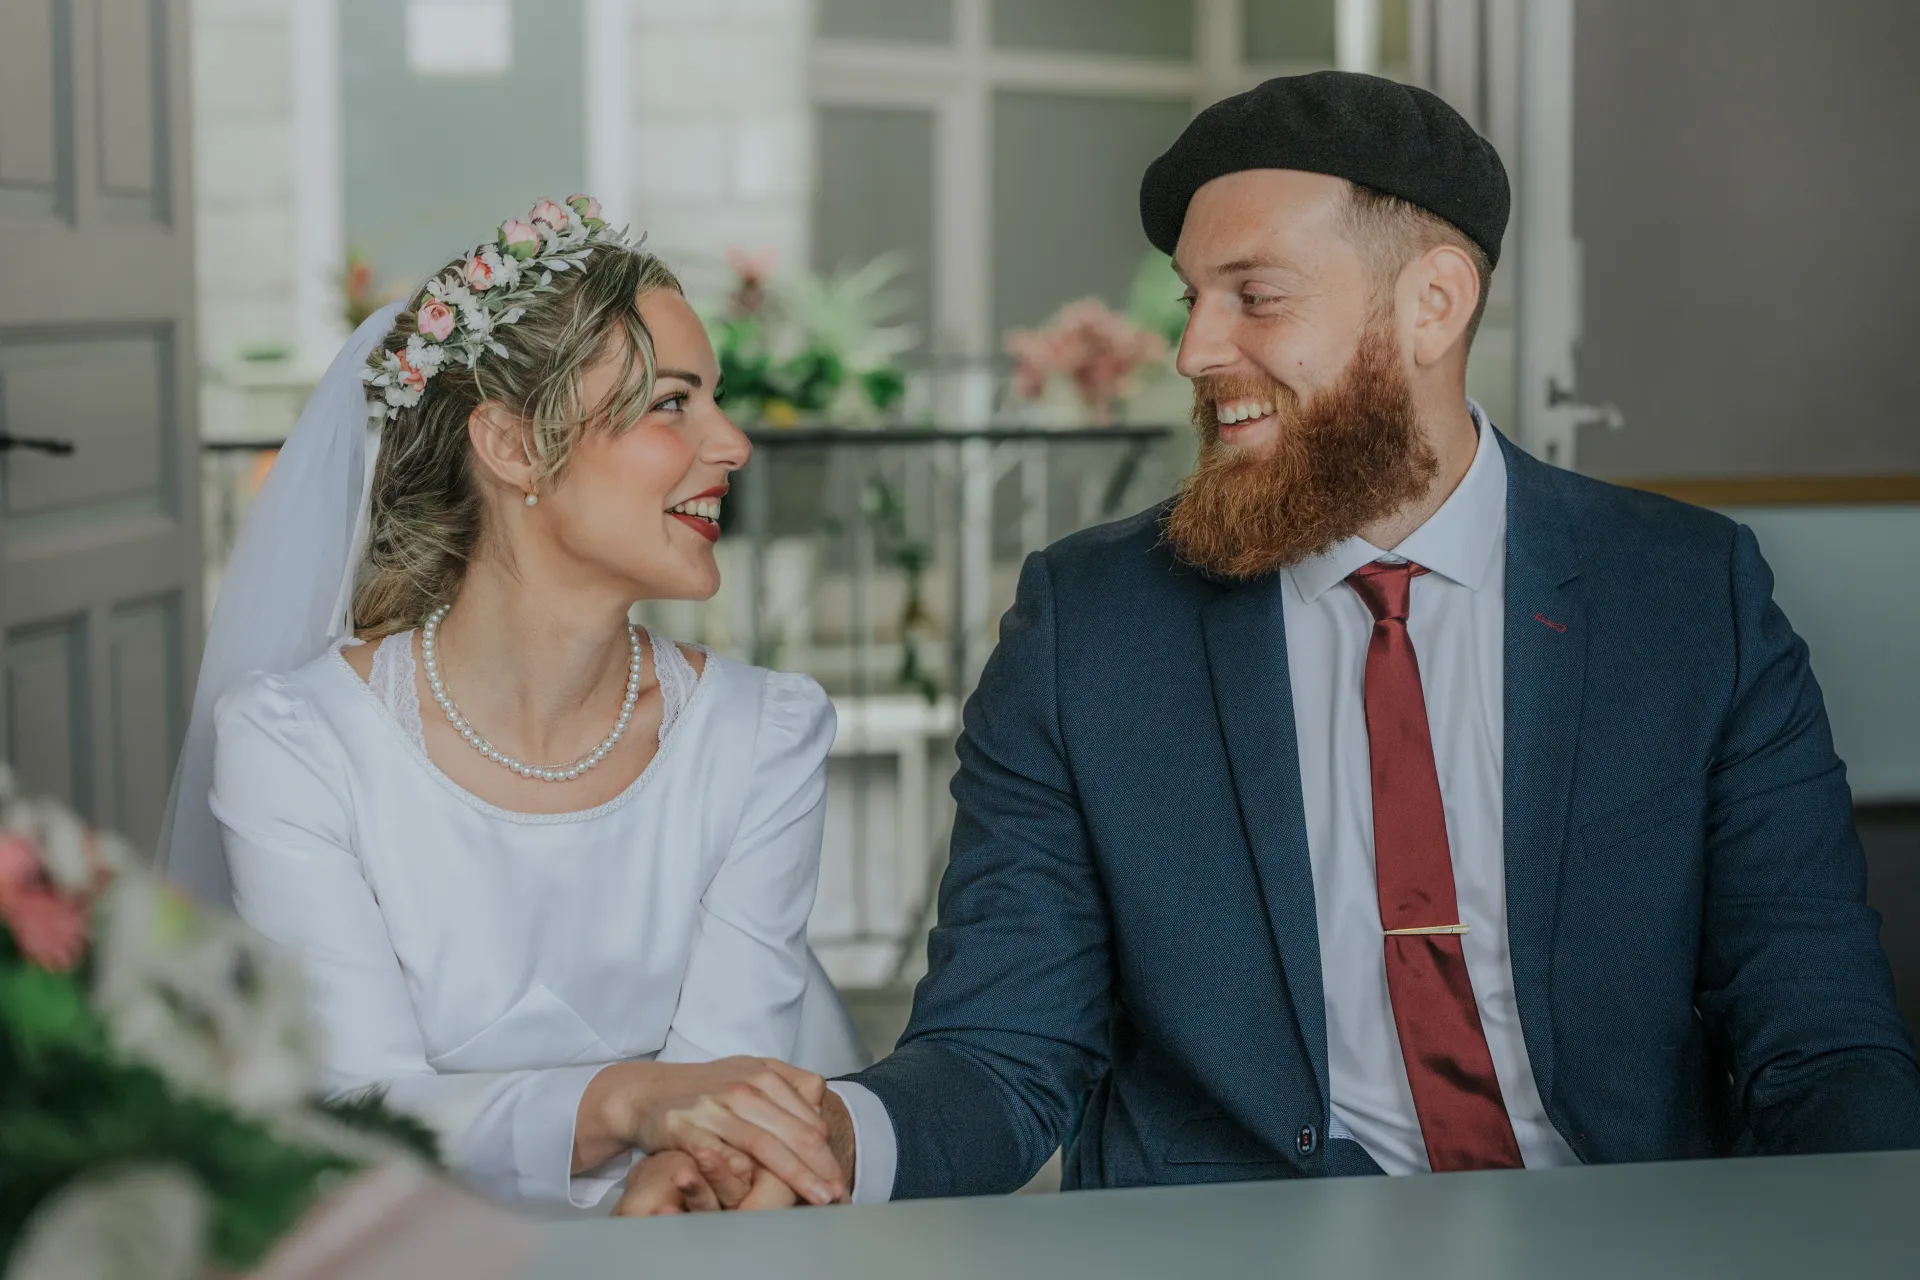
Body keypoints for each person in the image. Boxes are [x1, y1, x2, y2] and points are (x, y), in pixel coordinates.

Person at [623, 72, 1920, 1211]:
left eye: (1256, 296)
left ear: (1433, 304)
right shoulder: (1090, 624)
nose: (1193, 348)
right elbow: (1002, 1049)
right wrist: (828, 1142)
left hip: (1618, 1236)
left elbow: (1818, 1039)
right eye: (1192, 300)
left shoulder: (1687, 596)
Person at [157, 197, 863, 1215]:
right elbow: (360, 1105)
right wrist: (626, 1101)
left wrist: (675, 1178)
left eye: (715, 400)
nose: (733, 443)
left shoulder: (766, 733)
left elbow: (728, 1088)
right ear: (513, 444)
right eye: (673, 402)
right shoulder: (297, 743)